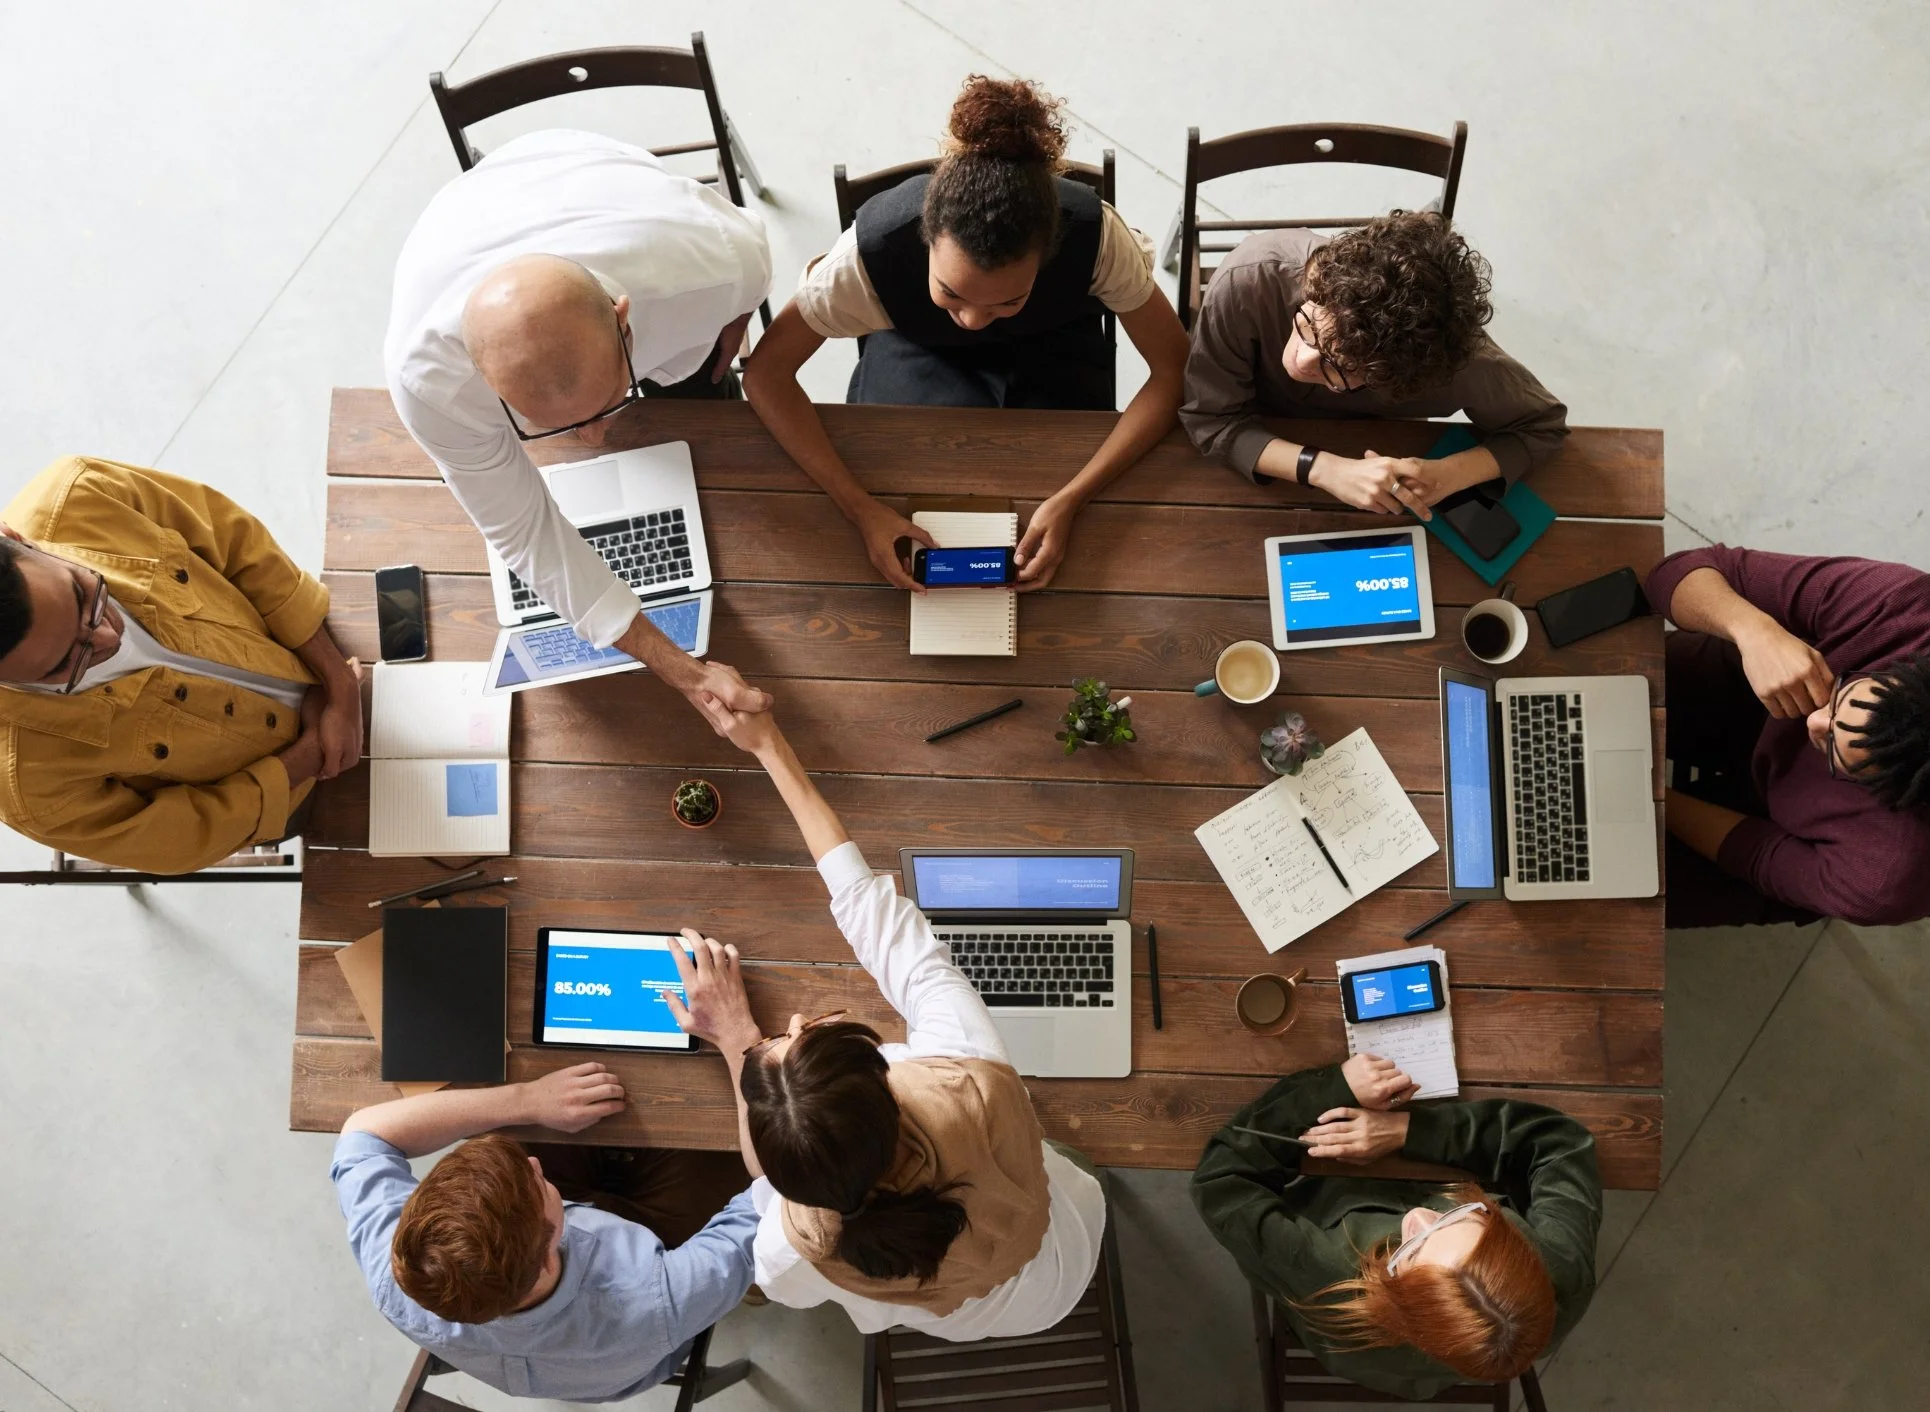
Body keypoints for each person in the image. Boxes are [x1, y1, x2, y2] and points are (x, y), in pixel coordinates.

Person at [658, 707, 1104, 1340]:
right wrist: (770, 745)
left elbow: (768, 1170)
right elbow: (878, 917)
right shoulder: (964, 1073)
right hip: (1056, 1255)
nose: (794, 1020)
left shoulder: (789, 1250)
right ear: (885, 1080)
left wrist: (738, 1039)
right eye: (805, 1031)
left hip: (989, 1312)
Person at [385, 128, 774, 733]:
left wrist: (737, 313)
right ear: (482, 378)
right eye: (552, 427)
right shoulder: (428, 385)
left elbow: (757, 267)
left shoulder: (712, 265)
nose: (592, 442)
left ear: (624, 318)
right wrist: (687, 672)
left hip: (594, 175)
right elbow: (529, 536)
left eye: (608, 405)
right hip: (472, 213)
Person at [743, 76, 1188, 592]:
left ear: (1049, 254)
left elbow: (1174, 368)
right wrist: (860, 509)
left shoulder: (1100, 238)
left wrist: (1074, 497)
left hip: (1055, 344)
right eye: (951, 292)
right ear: (925, 238)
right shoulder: (867, 257)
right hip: (917, 347)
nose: (976, 319)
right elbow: (766, 375)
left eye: (1008, 299)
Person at [0, 456, 362, 873]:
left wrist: (338, 683)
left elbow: (236, 543)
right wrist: (313, 753)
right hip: (298, 796)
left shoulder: (82, 494)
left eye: (86, 595)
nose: (107, 637)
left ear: (18, 539)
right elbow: (185, 841)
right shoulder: (28, 787)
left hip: (326, 652)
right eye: (67, 662)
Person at [330, 1061, 756, 1403]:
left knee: (527, 1114)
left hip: (578, 1347)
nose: (534, 1166)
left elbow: (362, 1135)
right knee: (719, 1152)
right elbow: (769, 1193)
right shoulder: (658, 1298)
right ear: (551, 1251)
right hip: (651, 1280)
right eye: (536, 1184)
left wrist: (527, 1100)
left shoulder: (401, 1271)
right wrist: (739, 1039)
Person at [1191, 1054, 1600, 1400]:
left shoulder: (1326, 1273)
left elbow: (1221, 1183)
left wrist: (1333, 1090)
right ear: (1520, 1250)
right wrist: (1409, 1132)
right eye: (1461, 1216)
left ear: (1397, 1298)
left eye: (1409, 1249)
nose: (1417, 1217)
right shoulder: (1559, 1277)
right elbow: (1560, 1145)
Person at [1648, 545, 1930, 927]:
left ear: (1881, 794)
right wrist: (1754, 631)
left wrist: (1652, 797)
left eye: (1832, 747)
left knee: (1612, 882)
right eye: (1844, 695)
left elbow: (1756, 853)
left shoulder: (1885, 880)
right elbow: (1673, 574)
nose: (1813, 721)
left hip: (1780, 826)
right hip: (1752, 684)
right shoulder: (1907, 608)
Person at [1179, 212, 1568, 520]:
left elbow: (1542, 425)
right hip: (1260, 461)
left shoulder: (1461, 363)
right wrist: (1322, 469)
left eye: (1340, 367)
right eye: (1309, 325)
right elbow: (1212, 418)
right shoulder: (1249, 280)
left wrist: (1448, 474)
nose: (1301, 359)